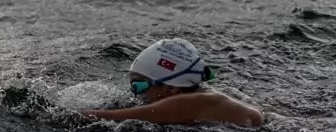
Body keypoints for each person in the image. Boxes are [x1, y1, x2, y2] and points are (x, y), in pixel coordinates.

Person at [81, 38, 265, 127]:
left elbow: (110, 117)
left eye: (137, 86)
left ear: (171, 87)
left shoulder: (189, 102)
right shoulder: (205, 98)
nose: (134, 93)